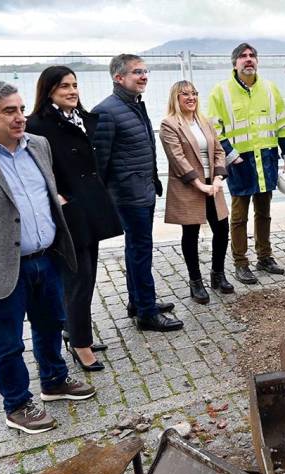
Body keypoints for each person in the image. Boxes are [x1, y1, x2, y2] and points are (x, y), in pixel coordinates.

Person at [0, 80, 96, 434]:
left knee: (50, 324)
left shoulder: (38, 145)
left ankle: (54, 380)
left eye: (21, 109)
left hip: (46, 258)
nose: (20, 117)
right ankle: (17, 405)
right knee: (6, 341)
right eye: (9, 111)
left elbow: (46, 194)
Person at [26, 66, 123, 372]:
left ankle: (75, 329)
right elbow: (33, 168)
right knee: (77, 278)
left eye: (74, 84)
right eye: (64, 86)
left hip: (90, 205)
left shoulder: (79, 119)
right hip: (69, 211)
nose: (72, 90)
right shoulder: (38, 125)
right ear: (49, 90)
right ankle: (80, 343)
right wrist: (58, 197)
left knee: (88, 274)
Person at [92, 54, 182, 332]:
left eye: (145, 71)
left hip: (141, 188)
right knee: (140, 250)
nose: (143, 76)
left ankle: (139, 301)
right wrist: (107, 196)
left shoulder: (133, 105)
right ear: (119, 78)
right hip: (127, 193)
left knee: (137, 248)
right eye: (136, 72)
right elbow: (100, 161)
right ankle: (146, 312)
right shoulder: (107, 111)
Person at [207, 42, 285, 285]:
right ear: (234, 63)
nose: (249, 59)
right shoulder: (221, 92)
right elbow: (214, 128)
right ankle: (240, 262)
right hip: (240, 163)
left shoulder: (269, 89)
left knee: (264, 213)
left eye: (252, 56)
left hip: (266, 160)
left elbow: (283, 122)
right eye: (243, 56)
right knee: (238, 216)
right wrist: (230, 154)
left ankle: (265, 257)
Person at [159, 81, 234, 304]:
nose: (191, 98)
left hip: (214, 184)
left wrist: (219, 177)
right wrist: (199, 185)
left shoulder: (204, 121)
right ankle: (195, 282)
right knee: (190, 234)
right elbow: (177, 157)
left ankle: (218, 274)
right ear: (176, 97)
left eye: (194, 94)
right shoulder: (169, 124)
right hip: (189, 186)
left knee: (222, 229)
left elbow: (219, 150)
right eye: (185, 94)